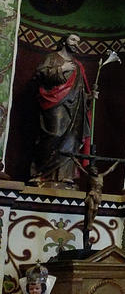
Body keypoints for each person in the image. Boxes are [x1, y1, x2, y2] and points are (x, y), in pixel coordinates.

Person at [30, 33, 92, 189]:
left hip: (74, 108)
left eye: (78, 41)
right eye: (72, 40)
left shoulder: (78, 65)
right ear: (64, 41)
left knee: (71, 140)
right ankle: (42, 173)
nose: (75, 43)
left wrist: (90, 96)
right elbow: (40, 74)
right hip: (54, 104)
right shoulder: (52, 57)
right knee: (54, 134)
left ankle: (65, 176)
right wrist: (61, 68)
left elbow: (80, 89)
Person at [72, 159, 118, 249]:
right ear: (91, 172)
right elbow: (81, 168)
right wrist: (74, 160)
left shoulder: (101, 176)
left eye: (96, 170)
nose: (95, 172)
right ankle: (89, 224)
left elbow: (110, 170)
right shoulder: (90, 177)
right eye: (93, 171)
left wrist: (117, 162)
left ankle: (91, 222)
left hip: (98, 195)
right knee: (91, 208)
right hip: (92, 193)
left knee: (96, 209)